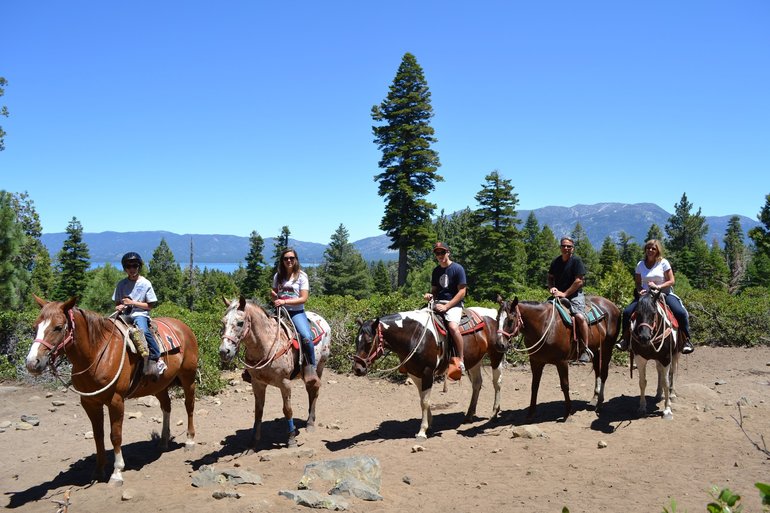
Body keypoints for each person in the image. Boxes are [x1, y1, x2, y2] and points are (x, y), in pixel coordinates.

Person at [615, 239, 694, 354]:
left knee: (680, 312)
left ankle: (686, 340)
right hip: (645, 297)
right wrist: (640, 289)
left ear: (658, 250)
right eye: (648, 248)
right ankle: (625, 339)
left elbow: (671, 281)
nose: (650, 250)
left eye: (653, 248)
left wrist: (658, 286)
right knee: (627, 312)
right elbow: (637, 282)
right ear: (645, 249)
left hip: (663, 294)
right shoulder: (640, 265)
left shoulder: (663, 263)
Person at [113, 252, 166, 379]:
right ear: (125, 268)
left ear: (139, 267)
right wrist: (119, 307)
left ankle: (156, 357)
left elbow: (149, 306)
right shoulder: (121, 284)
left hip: (140, 314)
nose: (132, 269)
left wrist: (132, 303)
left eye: (135, 266)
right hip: (125, 314)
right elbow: (117, 303)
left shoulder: (145, 283)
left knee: (143, 331)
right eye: (129, 266)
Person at [271, 248, 320, 386]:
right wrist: (274, 296)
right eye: (286, 258)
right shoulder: (278, 276)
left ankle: (312, 368)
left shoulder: (302, 276)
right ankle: (252, 369)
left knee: (306, 336)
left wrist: (285, 301)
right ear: (282, 261)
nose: (289, 260)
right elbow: (274, 293)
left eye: (291, 258)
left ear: (296, 259)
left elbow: (303, 298)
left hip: (296, 312)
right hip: (279, 311)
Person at [423, 241, 467, 377]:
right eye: (437, 253)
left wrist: (447, 306)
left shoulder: (458, 269)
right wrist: (431, 296)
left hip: (454, 304)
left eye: (442, 252)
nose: (440, 255)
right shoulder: (436, 271)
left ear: (448, 252)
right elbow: (435, 290)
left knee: (453, 328)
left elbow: (462, 292)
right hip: (438, 303)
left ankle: (460, 359)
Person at [547, 237, 592, 363]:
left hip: (574, 296)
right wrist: (552, 288)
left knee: (579, 317)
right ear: (560, 247)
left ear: (573, 248)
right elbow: (550, 277)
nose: (566, 248)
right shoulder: (555, 262)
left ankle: (585, 349)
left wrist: (565, 293)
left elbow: (579, 281)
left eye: (569, 246)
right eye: (564, 246)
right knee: (545, 313)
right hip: (559, 295)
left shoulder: (576, 261)